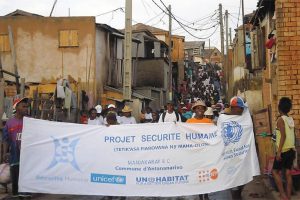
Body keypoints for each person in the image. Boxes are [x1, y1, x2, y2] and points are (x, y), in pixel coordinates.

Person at [2, 97, 31, 199]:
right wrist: (5, 153)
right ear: (17, 107)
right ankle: (16, 196)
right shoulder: (10, 123)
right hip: (14, 156)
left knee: (26, 178)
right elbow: (5, 139)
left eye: (27, 106)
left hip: (27, 157)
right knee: (15, 179)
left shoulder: (30, 122)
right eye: (23, 106)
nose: (26, 109)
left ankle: (26, 196)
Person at [272, 97, 295, 200]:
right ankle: (288, 197)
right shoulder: (290, 119)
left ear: (279, 108)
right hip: (291, 150)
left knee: (275, 172)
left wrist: (279, 152)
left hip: (283, 151)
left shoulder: (280, 120)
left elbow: (283, 136)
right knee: (288, 173)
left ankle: (283, 195)